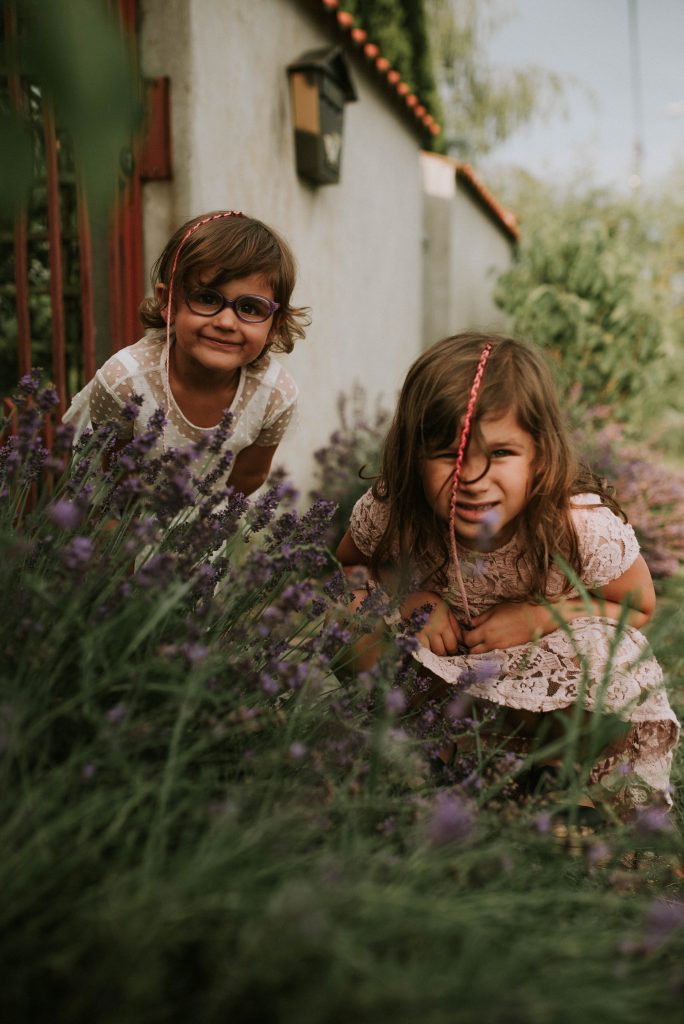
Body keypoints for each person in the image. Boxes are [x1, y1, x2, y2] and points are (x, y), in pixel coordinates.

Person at [336, 332, 679, 808]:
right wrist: (409, 598)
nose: (473, 480)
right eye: (447, 454)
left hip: (534, 679)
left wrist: (541, 617)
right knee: (349, 612)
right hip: (443, 669)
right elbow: (350, 566)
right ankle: (422, 750)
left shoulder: (576, 526)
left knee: (612, 649)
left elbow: (638, 606)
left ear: (539, 454)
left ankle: (556, 772)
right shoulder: (395, 511)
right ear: (413, 454)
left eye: (499, 453)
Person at [64, 210, 309, 496]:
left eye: (250, 308)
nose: (226, 322)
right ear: (168, 302)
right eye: (206, 298)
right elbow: (113, 475)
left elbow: (248, 476)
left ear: (274, 325)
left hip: (202, 515)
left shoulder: (274, 396)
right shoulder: (124, 382)